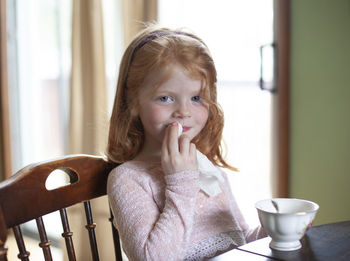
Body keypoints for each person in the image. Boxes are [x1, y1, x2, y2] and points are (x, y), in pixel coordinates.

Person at [106, 25, 266, 261]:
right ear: (134, 101)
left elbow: (239, 240)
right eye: (165, 98)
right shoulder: (128, 179)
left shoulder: (210, 171)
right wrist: (181, 183)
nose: (184, 111)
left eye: (196, 98)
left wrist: (274, 230)